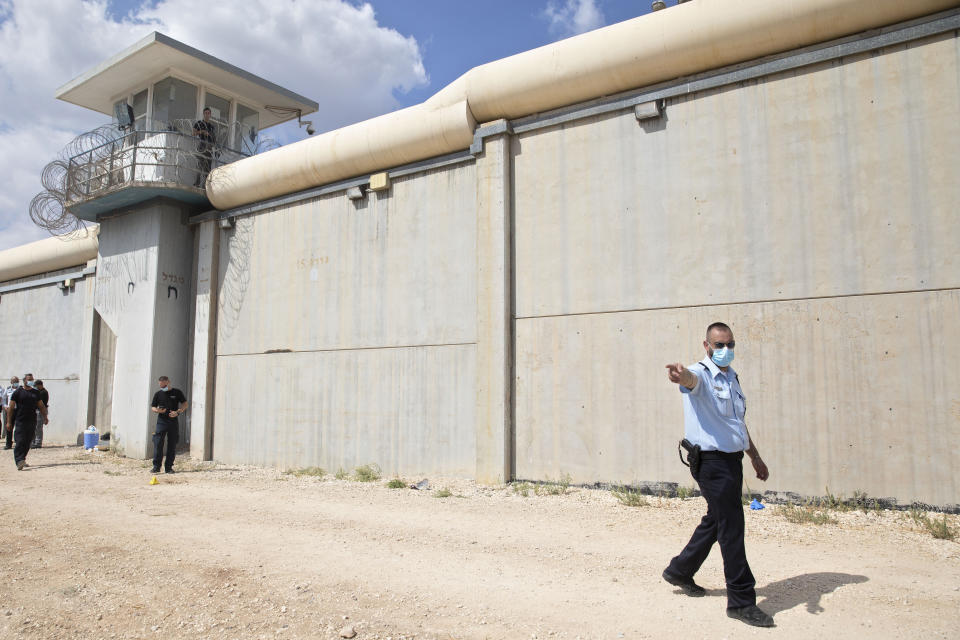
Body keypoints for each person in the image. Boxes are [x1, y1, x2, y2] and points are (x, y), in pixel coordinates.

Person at [663, 322, 774, 628]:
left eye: (730, 345)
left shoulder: (732, 378)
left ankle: (680, 570)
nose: (726, 351)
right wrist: (680, 375)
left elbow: (737, 424)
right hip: (711, 463)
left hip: (732, 461)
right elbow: (690, 379)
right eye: (720, 345)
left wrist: (755, 457)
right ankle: (740, 601)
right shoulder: (701, 374)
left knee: (718, 519)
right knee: (732, 526)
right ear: (707, 345)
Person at [6, 373, 48, 471]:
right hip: (20, 420)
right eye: (29, 379)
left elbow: (41, 406)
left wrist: (45, 417)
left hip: (32, 420)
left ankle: (22, 458)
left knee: (28, 441)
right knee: (20, 440)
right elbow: (11, 408)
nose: (31, 381)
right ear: (24, 381)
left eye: (32, 379)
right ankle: (19, 460)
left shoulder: (35, 393)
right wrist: (8, 422)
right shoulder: (17, 392)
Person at [150, 376, 188, 474]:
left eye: (164, 385)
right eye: (161, 386)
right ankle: (156, 467)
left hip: (173, 421)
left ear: (168, 382)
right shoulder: (158, 394)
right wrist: (158, 410)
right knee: (158, 443)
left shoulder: (177, 392)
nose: (163, 387)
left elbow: (185, 404)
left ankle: (169, 467)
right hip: (161, 422)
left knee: (172, 444)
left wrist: (178, 412)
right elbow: (153, 407)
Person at [193, 107, 216, 187]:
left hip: (209, 146)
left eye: (208, 113)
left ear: (210, 115)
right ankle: (197, 183)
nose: (207, 115)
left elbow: (214, 138)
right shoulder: (199, 123)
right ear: (203, 114)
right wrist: (202, 131)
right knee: (200, 165)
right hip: (202, 145)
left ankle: (205, 185)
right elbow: (194, 133)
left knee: (208, 167)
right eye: (205, 113)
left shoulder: (211, 126)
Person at [1, 376, 19, 449]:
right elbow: (4, 398)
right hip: (10, 411)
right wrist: (5, 406)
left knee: (18, 427)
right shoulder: (8, 389)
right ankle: (8, 444)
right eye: (14, 381)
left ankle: (18, 443)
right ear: (11, 382)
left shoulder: (20, 389)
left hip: (18, 410)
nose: (16, 383)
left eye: (17, 381)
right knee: (9, 427)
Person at [32, 380, 49, 448]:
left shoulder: (43, 392)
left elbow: (42, 404)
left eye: (36, 386)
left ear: (40, 385)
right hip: (37, 410)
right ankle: (34, 442)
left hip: (40, 411)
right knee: (34, 427)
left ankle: (38, 443)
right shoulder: (38, 392)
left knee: (38, 427)